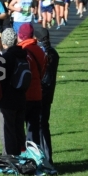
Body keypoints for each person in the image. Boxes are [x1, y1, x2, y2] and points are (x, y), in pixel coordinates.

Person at [0, 28, 28, 155]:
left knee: (7, 131)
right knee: (19, 130)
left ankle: (10, 158)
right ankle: (22, 156)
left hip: (8, 100)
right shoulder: (23, 55)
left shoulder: (5, 58)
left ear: (4, 42)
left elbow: (1, 80)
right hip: (21, 97)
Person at [18, 24, 45, 147]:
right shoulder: (40, 51)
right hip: (37, 94)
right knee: (34, 130)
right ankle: (36, 156)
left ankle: (26, 157)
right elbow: (42, 71)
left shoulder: (22, 51)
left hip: (24, 94)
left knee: (19, 129)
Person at [35, 27, 59, 163]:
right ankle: (47, 157)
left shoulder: (42, 54)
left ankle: (44, 158)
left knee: (39, 126)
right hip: (49, 93)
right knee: (44, 124)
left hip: (41, 92)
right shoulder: (53, 53)